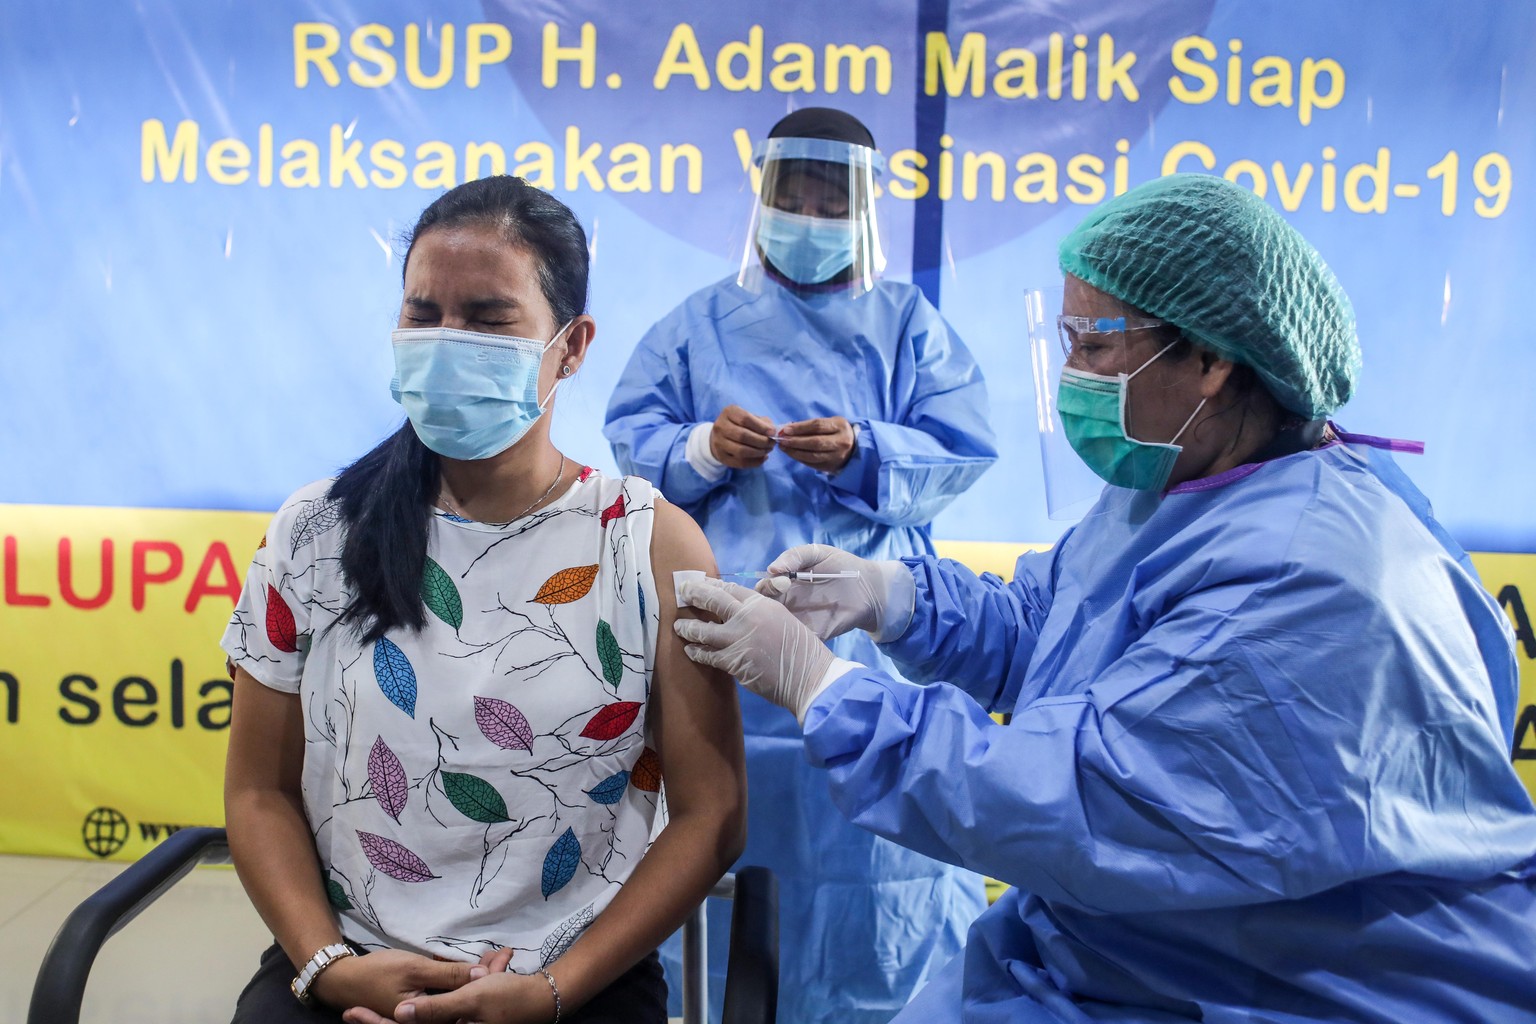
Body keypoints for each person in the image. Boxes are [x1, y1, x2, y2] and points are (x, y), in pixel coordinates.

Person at [671, 173, 1536, 1022]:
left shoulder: (1304, 579)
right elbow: (1056, 622)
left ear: (1207, 357)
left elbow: (1074, 801)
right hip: (1136, 947)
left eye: (1094, 346)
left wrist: (824, 688)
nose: (1072, 375)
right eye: (1065, 341)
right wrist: (894, 596)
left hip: (1293, 982)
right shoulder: (1185, 482)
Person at [221, 175, 746, 1024]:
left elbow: (712, 813)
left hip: (577, 981)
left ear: (571, 347)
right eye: (423, 314)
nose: (446, 341)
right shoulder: (317, 531)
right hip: (346, 965)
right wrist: (327, 965)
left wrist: (550, 991)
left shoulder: (647, 544)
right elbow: (258, 792)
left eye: (488, 318)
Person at [603, 107, 997, 1023]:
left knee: (875, 862)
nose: (812, 214)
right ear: (764, 198)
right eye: (796, 194)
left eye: (832, 198)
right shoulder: (699, 323)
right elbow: (632, 442)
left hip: (868, 652)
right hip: (718, 657)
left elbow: (962, 451)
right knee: (712, 870)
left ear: (862, 208)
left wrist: (867, 452)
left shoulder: (907, 324)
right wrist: (702, 448)